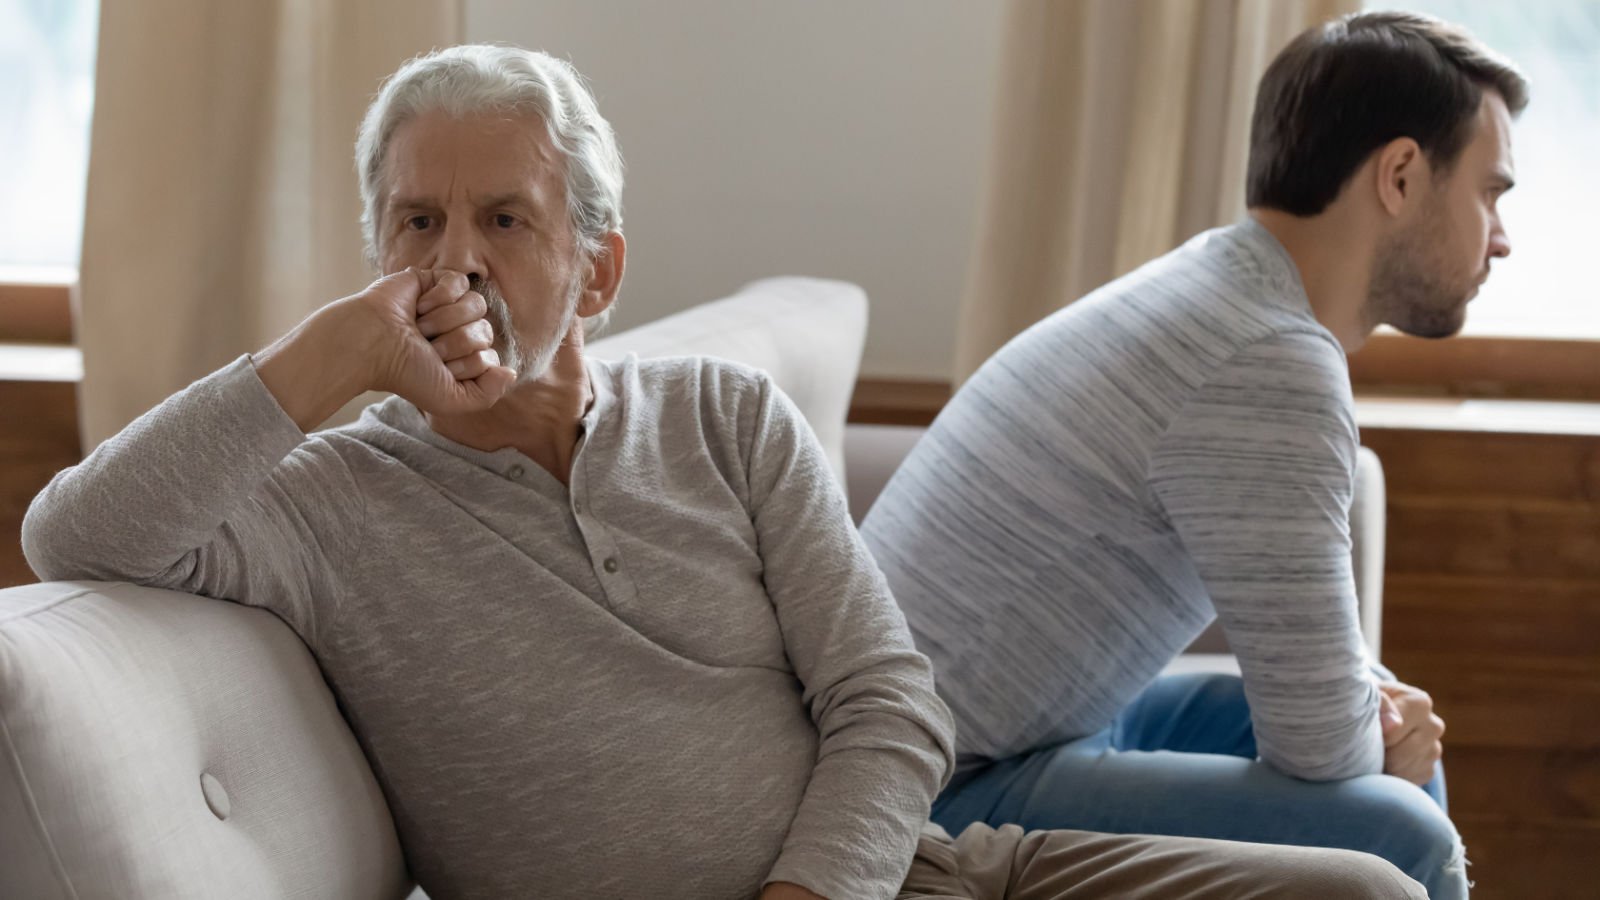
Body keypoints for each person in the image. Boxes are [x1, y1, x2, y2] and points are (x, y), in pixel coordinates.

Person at [23, 44, 1424, 900]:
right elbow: (74, 532)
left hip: (923, 875)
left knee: (1366, 887)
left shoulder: (720, 418)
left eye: (506, 218)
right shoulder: (325, 507)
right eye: (415, 223)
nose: (455, 263)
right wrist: (330, 354)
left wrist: (818, 891)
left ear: (600, 267)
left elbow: (889, 705)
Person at [860, 12, 1525, 900]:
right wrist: (1376, 731)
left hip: (988, 730)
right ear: (1401, 175)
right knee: (1401, 828)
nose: (1502, 237)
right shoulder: (1266, 358)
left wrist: (1374, 717)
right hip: (936, 780)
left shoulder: (1216, 288)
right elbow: (1324, 747)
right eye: (1491, 193)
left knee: (1379, 712)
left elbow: (1322, 714)